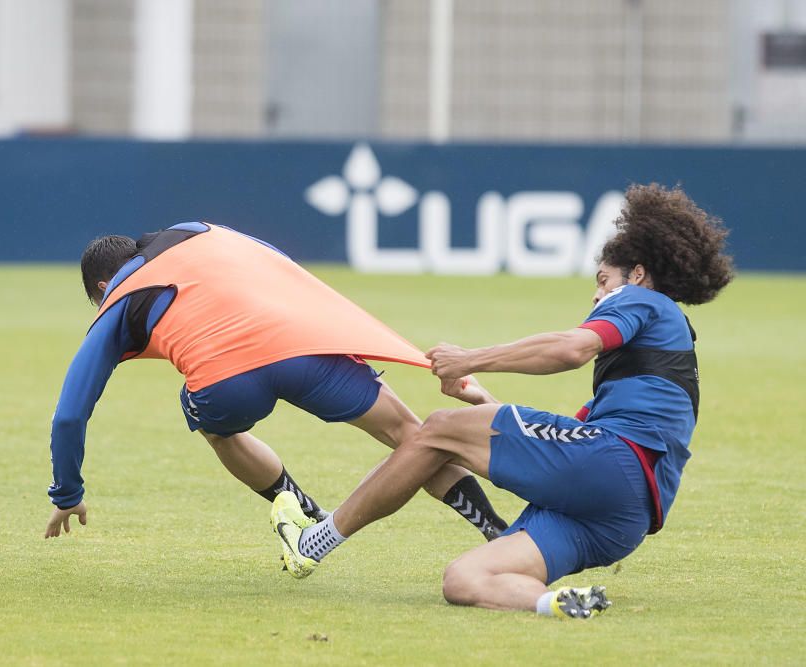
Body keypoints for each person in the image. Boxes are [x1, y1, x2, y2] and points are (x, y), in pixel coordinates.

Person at [271, 183, 734, 620]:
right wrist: (481, 398)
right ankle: (557, 603)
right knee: (465, 579)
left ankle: (313, 542)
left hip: (611, 465)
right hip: (620, 518)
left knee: (436, 430)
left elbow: (570, 350)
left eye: (602, 279)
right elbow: (558, 447)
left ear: (636, 274)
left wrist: (469, 358)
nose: (597, 293)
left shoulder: (640, 299)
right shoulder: (650, 368)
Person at [43, 221, 507, 541]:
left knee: (213, 426)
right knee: (412, 434)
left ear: (102, 287)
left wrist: (68, 494)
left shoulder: (119, 300)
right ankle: (493, 528)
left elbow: (69, 415)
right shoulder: (192, 232)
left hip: (227, 384)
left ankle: (305, 514)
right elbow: (272, 260)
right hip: (300, 346)